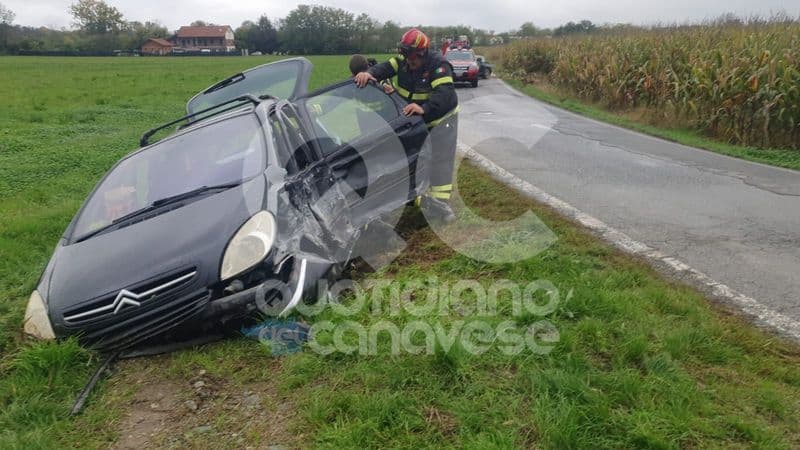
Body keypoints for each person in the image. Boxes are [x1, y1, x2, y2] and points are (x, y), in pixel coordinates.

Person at [354, 29, 459, 222]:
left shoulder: (438, 65)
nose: (409, 62)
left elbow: (446, 96)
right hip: (415, 120)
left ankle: (440, 206)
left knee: (440, 160)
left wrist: (424, 108)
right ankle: (416, 196)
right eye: (406, 56)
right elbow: (385, 67)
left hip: (440, 120)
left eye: (412, 57)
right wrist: (368, 73)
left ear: (422, 53)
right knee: (413, 157)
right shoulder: (402, 61)